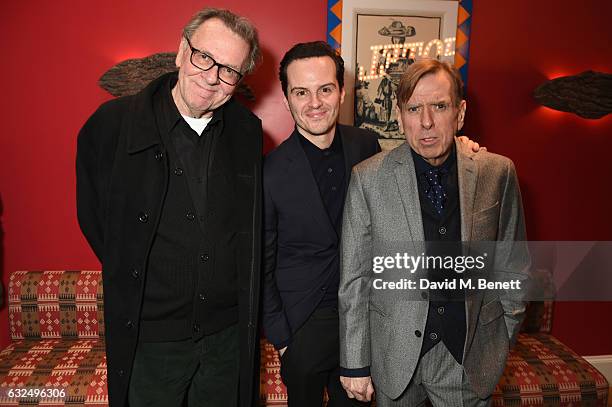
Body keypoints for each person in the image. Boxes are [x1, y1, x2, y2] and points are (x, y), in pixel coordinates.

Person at [262, 43, 483, 406]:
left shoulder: (365, 143)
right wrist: (284, 339)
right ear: (287, 99)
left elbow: (415, 167)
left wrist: (458, 145)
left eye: (325, 89)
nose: (314, 102)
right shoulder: (269, 170)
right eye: (301, 92)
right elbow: (263, 263)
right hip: (305, 324)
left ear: (342, 91)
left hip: (367, 318)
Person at [76, 8, 262, 407]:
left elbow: (251, 227)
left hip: (226, 339)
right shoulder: (113, 124)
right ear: (182, 51)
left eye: (229, 70)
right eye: (204, 57)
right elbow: (94, 217)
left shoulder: (248, 132)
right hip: (151, 340)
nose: (212, 77)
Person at [338, 59, 530, 406]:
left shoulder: (497, 172)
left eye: (439, 106)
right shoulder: (367, 178)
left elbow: (512, 264)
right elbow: (355, 279)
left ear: (459, 113)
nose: (426, 121)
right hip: (394, 357)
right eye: (414, 108)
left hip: (469, 358)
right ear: (400, 115)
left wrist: (503, 335)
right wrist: (355, 363)